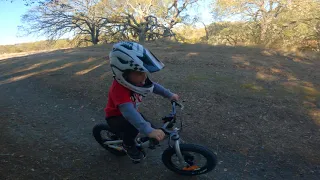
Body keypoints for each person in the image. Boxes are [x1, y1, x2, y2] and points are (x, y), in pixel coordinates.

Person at [104, 41, 179, 161]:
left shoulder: (136, 81)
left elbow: (153, 86)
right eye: (139, 73)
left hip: (132, 112)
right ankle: (128, 145)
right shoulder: (118, 89)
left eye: (145, 72)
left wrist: (169, 95)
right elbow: (129, 113)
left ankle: (144, 137)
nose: (144, 77)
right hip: (116, 117)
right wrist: (148, 131)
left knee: (149, 125)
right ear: (123, 72)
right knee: (134, 128)